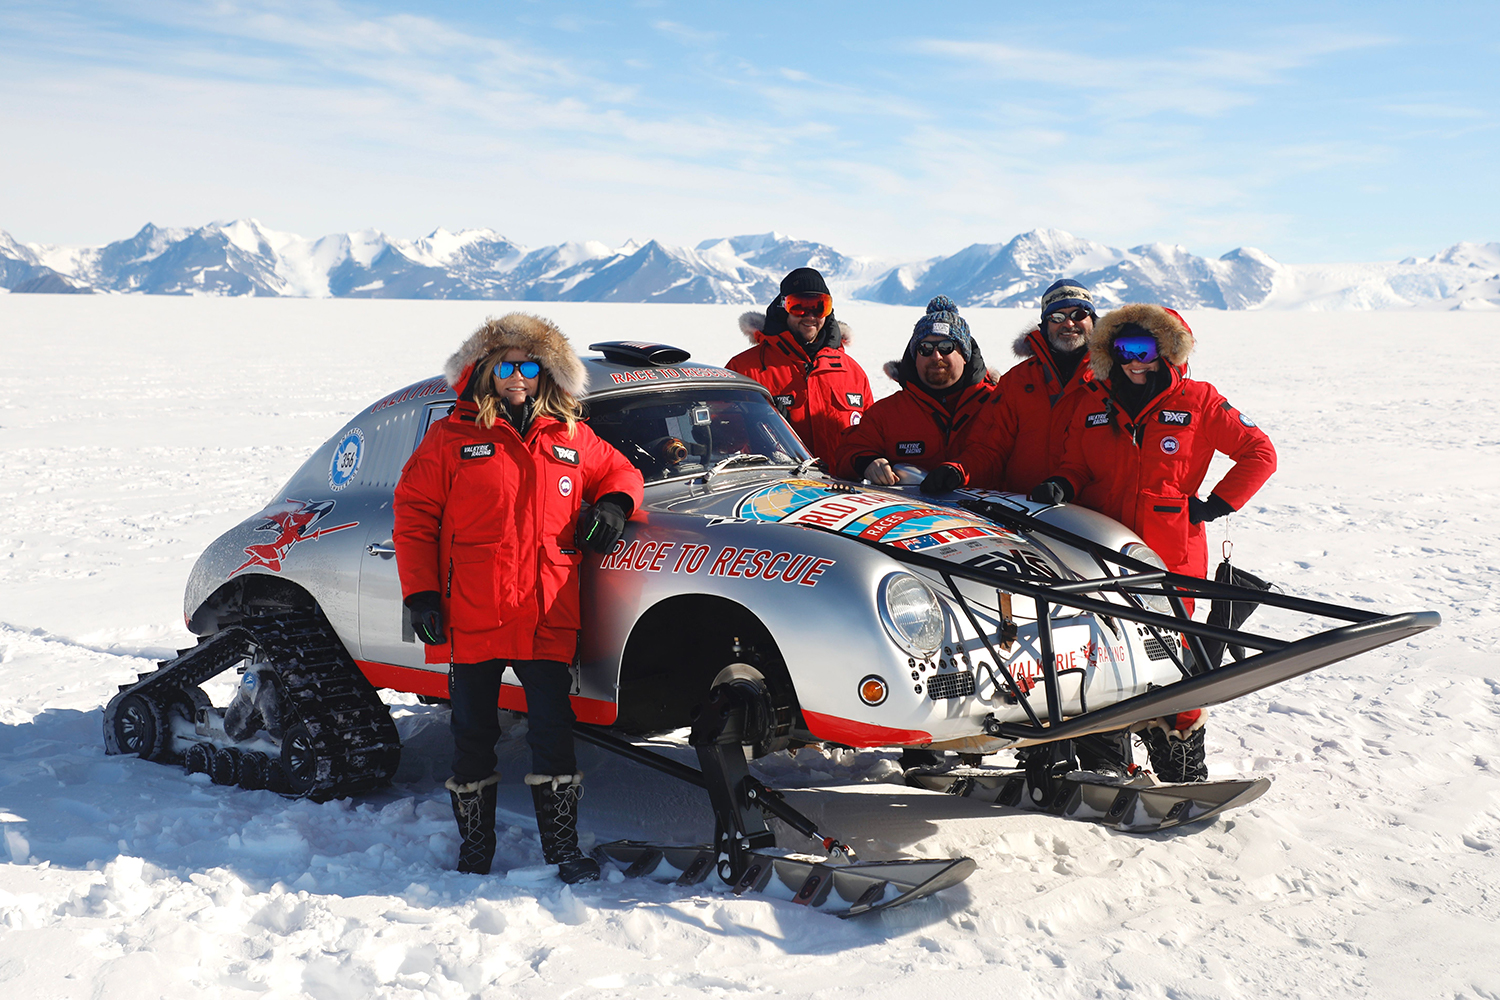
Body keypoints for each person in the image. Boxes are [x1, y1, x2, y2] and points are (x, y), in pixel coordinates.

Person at [394, 313, 644, 881]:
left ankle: (562, 850)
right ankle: (474, 852)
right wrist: (423, 594)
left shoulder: (572, 437)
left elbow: (623, 473)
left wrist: (613, 505)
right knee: (472, 737)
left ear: (545, 373)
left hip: (546, 614)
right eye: (505, 365)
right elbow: (413, 516)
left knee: (554, 735)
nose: (517, 376)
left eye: (529, 365)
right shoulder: (451, 438)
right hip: (474, 614)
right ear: (485, 370)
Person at [1031, 304, 1276, 782]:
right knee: (1101, 644)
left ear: (1167, 351)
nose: (1133, 361)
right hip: (1099, 545)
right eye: (1122, 350)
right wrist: (1063, 483)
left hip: (1173, 553)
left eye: (1144, 349)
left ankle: (1180, 753)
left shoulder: (1200, 401)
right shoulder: (1095, 402)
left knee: (1175, 652)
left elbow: (1259, 452)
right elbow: (1076, 463)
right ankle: (1105, 752)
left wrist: (1218, 503)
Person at [833, 295, 998, 494]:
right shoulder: (887, 414)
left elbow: (1008, 459)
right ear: (914, 356)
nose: (936, 356)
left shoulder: (997, 406)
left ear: (965, 355)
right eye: (925, 348)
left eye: (946, 347)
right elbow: (847, 452)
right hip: (912, 522)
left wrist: (959, 472)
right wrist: (866, 462)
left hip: (988, 519)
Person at [728, 267, 871, 464]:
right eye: (799, 306)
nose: (810, 315)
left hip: (841, 490)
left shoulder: (851, 372)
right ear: (782, 307)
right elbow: (724, 442)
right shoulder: (745, 369)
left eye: (819, 306)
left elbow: (870, 439)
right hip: (776, 489)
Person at [981, 278, 1100, 492]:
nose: (1069, 324)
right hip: (1022, 509)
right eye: (1057, 316)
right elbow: (989, 448)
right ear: (1045, 325)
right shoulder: (1017, 381)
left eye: (1079, 315)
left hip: (1093, 517)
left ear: (1093, 321)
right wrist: (958, 470)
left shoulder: (1114, 377)